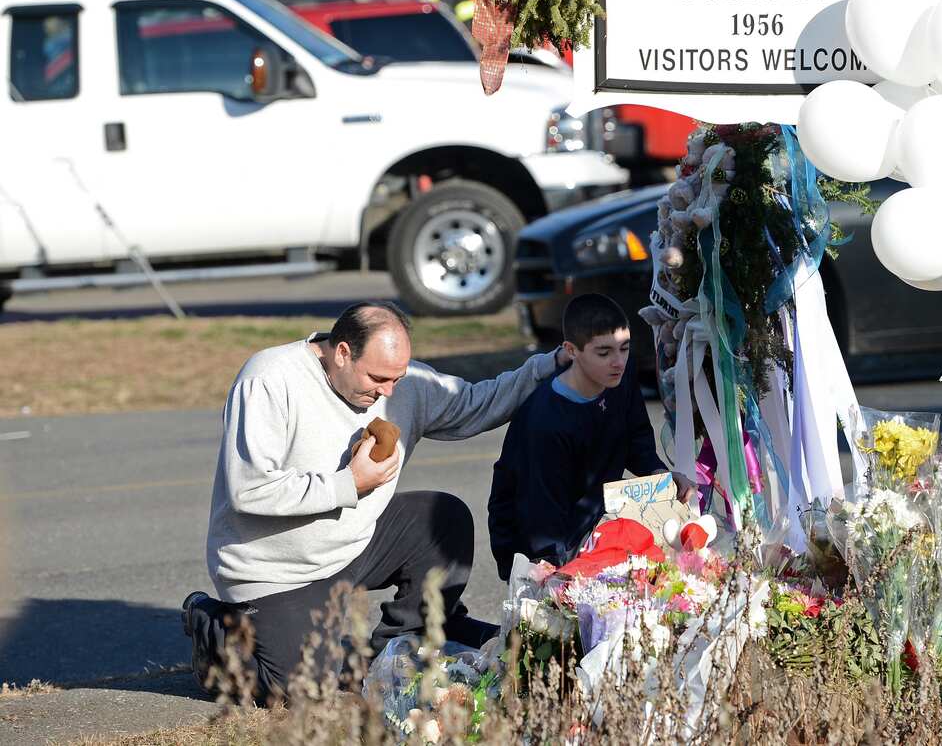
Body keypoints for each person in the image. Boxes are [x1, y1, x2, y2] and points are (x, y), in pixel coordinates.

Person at [181, 301, 569, 703]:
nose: (388, 391)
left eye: (397, 378)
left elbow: (475, 403)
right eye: (378, 378)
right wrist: (349, 483)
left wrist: (549, 364)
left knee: (445, 519)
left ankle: (401, 644)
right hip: (275, 572)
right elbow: (249, 489)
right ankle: (212, 626)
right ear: (343, 352)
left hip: (353, 545)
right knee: (301, 691)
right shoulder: (269, 378)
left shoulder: (403, 384)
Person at [487, 294, 694, 581]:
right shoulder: (546, 420)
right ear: (571, 351)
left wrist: (661, 476)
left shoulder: (618, 377)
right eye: (604, 352)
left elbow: (635, 438)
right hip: (536, 538)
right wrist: (552, 567)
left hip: (591, 513)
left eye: (624, 348)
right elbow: (538, 510)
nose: (617, 361)